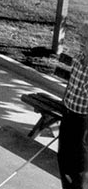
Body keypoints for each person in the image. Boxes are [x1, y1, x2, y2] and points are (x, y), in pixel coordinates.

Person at [59, 21, 88, 189]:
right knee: (63, 159)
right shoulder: (79, 58)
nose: (81, 41)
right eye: (81, 37)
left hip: (83, 121)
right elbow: (71, 86)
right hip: (68, 114)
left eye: (86, 38)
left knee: (80, 167)